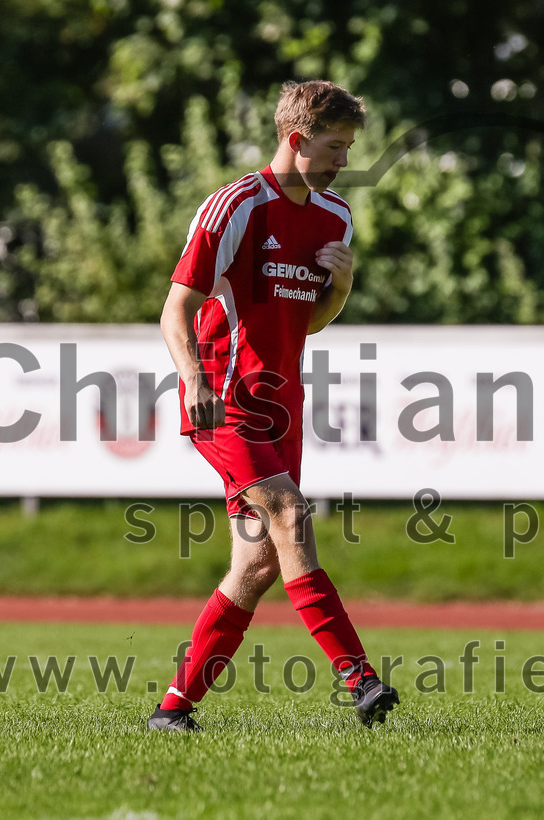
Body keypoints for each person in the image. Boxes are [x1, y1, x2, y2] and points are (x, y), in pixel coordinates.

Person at [148, 80, 398, 731]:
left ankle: (174, 709)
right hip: (223, 403)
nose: (345, 159)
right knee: (290, 512)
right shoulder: (235, 206)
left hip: (283, 407)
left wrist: (341, 285)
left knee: (257, 563)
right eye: (335, 145)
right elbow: (175, 308)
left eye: (349, 145)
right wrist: (194, 380)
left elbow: (308, 323)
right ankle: (361, 679)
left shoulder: (335, 216)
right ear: (297, 139)